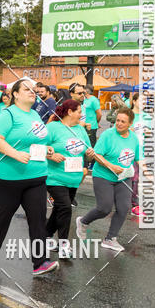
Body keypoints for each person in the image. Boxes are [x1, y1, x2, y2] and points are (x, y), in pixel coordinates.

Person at [0, 77, 58, 274]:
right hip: (8, 178)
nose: (32, 92)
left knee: (38, 218)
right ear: (15, 94)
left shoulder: (34, 114)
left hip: (36, 177)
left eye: (34, 89)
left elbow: (34, 141)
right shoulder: (8, 114)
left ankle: (40, 263)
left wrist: (46, 149)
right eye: (27, 89)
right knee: (3, 215)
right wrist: (15, 153)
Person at [76, 106, 140, 252]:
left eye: (123, 121)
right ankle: (83, 222)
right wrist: (111, 166)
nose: (119, 123)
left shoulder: (133, 138)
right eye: (117, 120)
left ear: (130, 124)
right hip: (103, 175)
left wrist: (149, 173)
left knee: (123, 208)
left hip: (123, 177)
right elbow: (96, 155)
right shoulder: (107, 135)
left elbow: (138, 157)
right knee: (104, 208)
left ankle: (110, 239)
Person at [45, 98, 90, 259]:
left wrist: (88, 158)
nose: (81, 115)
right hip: (54, 177)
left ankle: (46, 235)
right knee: (65, 207)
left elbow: (87, 149)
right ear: (70, 112)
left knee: (59, 208)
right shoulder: (53, 127)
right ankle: (64, 244)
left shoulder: (80, 129)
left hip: (74, 177)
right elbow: (36, 146)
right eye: (79, 112)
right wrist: (51, 155)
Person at [129, 92, 152, 217]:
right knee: (125, 176)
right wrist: (128, 130)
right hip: (127, 150)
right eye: (141, 101)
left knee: (136, 178)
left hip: (140, 150)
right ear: (134, 101)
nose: (143, 103)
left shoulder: (147, 116)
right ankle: (121, 200)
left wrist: (147, 132)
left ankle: (134, 204)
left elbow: (149, 134)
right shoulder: (129, 115)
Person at [82, 85, 102, 165]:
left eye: (83, 90)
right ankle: (86, 162)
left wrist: (96, 122)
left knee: (91, 145)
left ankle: (93, 163)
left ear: (86, 91)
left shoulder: (94, 100)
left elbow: (99, 114)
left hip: (92, 126)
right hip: (84, 125)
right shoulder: (84, 100)